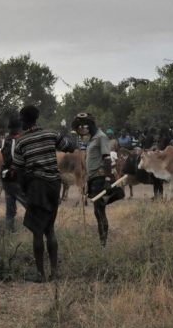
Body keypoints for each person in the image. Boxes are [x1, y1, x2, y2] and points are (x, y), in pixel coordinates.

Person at [12, 104, 75, 282]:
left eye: (21, 119)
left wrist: (20, 188)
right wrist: (71, 135)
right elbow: (68, 147)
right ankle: (54, 273)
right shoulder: (51, 134)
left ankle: (40, 274)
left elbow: (17, 169)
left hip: (37, 186)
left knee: (37, 231)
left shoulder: (22, 142)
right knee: (50, 229)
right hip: (54, 185)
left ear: (24, 120)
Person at [76, 113, 115, 246]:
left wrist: (108, 180)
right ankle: (102, 243)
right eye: (82, 125)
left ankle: (103, 244)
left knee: (100, 211)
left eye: (85, 125)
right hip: (92, 178)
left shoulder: (101, 137)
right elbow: (76, 128)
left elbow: (107, 159)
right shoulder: (91, 138)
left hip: (99, 178)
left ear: (91, 125)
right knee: (97, 212)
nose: (83, 128)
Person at [0, 115, 23, 233]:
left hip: (7, 178)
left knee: (10, 209)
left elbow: (4, 159)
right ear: (19, 128)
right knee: (30, 205)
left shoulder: (4, 140)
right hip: (19, 178)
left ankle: (9, 231)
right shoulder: (20, 140)